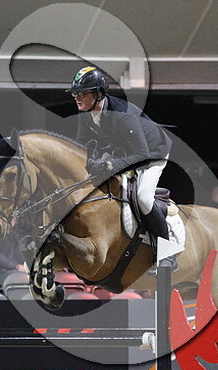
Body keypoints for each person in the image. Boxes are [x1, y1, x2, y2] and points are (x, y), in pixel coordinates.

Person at [69, 66, 174, 268]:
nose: (77, 97)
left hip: (152, 154)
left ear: (99, 94)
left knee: (143, 199)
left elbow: (142, 155)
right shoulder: (85, 113)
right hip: (124, 151)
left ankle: (167, 253)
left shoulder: (122, 114)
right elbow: (80, 146)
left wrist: (109, 164)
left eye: (82, 93)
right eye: (75, 93)